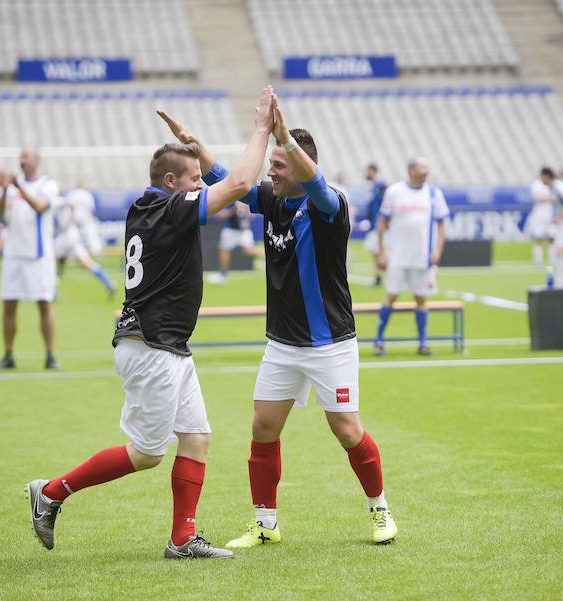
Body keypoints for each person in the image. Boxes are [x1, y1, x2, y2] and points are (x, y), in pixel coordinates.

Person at [25, 86, 276, 560]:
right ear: (170, 180)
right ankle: (51, 492)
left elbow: (216, 185)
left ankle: (182, 538)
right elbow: (242, 184)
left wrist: (194, 146)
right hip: (151, 346)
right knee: (147, 453)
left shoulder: (153, 205)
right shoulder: (167, 208)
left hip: (167, 344)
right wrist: (261, 128)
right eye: (195, 179)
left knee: (197, 437)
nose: (202, 187)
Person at [164, 97, 398, 548]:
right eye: (270, 161)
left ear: (298, 164)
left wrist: (285, 138)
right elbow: (224, 180)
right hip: (284, 344)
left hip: (330, 342)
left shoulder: (331, 207)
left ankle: (380, 510)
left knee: (347, 431)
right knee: (263, 428)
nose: (271, 170)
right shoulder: (271, 199)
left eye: (279, 163)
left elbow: (319, 185)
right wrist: (195, 144)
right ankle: (265, 524)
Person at [0, 147, 62, 371]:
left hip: (38, 256)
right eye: (20, 157)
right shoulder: (12, 188)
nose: (22, 161)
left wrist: (17, 186)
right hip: (13, 255)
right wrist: (4, 189)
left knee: (44, 305)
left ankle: (50, 355)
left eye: (26, 157)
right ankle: (8, 354)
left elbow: (40, 206)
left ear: (36, 161)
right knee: (9, 306)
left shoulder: (48, 185)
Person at [372, 157, 449, 356]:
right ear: (412, 169)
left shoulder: (434, 194)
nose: (426, 170)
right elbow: (381, 223)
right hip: (398, 256)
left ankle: (423, 343)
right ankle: (379, 340)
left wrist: (438, 250)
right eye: (423, 167)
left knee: (422, 299)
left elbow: (442, 224)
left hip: (422, 258)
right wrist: (381, 251)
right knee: (391, 296)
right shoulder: (395, 192)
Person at [53, 191, 115, 297]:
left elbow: (72, 205)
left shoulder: (54, 201)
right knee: (86, 262)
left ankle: (53, 291)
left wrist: (67, 223)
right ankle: (109, 284)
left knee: (49, 261)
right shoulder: (57, 201)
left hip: (64, 238)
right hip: (72, 237)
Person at [206, 202, 263, 285]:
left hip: (235, 229)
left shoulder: (234, 198)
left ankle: (222, 276)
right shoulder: (240, 197)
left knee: (226, 249)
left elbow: (223, 215)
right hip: (239, 229)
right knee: (228, 249)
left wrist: (235, 210)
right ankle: (222, 276)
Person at [362, 163, 387, 286]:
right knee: (374, 250)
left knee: (378, 250)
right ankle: (378, 275)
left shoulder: (381, 186)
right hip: (373, 224)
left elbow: (383, 204)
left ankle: (380, 275)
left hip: (378, 224)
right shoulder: (372, 187)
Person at [65, 184, 105, 257]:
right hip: (85, 219)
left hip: (74, 218)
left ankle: (73, 256)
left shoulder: (72, 193)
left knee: (74, 238)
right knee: (91, 236)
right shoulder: (87, 194)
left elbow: (68, 208)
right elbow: (91, 208)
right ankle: (95, 252)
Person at [526, 172, 554, 266]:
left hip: (550, 215)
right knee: (538, 238)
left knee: (552, 238)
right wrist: (550, 197)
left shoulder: (552, 184)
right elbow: (536, 198)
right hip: (539, 215)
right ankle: (538, 261)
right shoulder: (536, 184)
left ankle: (552, 260)